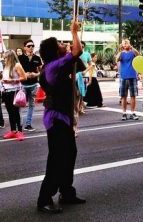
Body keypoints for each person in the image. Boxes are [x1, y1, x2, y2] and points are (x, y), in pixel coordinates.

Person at [37, 20, 86, 214]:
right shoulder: (52, 67)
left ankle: (66, 191)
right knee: (57, 158)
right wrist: (73, 32)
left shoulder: (61, 64)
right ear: (53, 51)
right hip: (55, 118)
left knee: (70, 154)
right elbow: (77, 51)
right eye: (58, 43)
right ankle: (44, 198)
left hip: (63, 116)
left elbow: (78, 61)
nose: (62, 43)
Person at [1, 50, 27, 141]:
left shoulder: (17, 65)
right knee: (10, 112)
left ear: (10, 57)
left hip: (14, 91)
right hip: (6, 91)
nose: (4, 59)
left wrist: (12, 81)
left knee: (16, 112)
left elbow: (24, 77)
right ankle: (13, 131)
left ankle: (19, 131)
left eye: (5, 57)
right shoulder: (6, 67)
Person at [18, 39, 43, 132]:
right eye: (29, 46)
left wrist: (35, 74)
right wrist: (25, 74)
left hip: (33, 84)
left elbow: (41, 71)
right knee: (20, 105)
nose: (31, 47)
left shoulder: (37, 58)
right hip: (23, 85)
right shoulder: (20, 58)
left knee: (31, 105)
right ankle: (19, 124)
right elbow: (16, 71)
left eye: (32, 46)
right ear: (24, 47)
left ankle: (28, 124)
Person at [116, 39, 139, 121]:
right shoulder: (121, 53)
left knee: (133, 96)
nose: (125, 44)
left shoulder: (133, 52)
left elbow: (138, 54)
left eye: (127, 43)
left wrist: (131, 47)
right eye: (124, 43)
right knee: (123, 96)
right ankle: (124, 113)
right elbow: (117, 59)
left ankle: (132, 112)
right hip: (123, 76)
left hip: (133, 76)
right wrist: (121, 49)